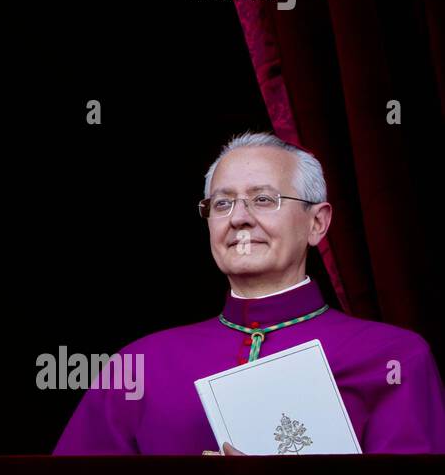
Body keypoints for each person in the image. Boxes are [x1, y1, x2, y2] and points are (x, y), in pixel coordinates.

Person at [54, 132, 445, 455]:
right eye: (222, 203)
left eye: (263, 199)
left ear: (317, 223)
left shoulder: (395, 357)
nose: (239, 218)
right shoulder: (139, 364)